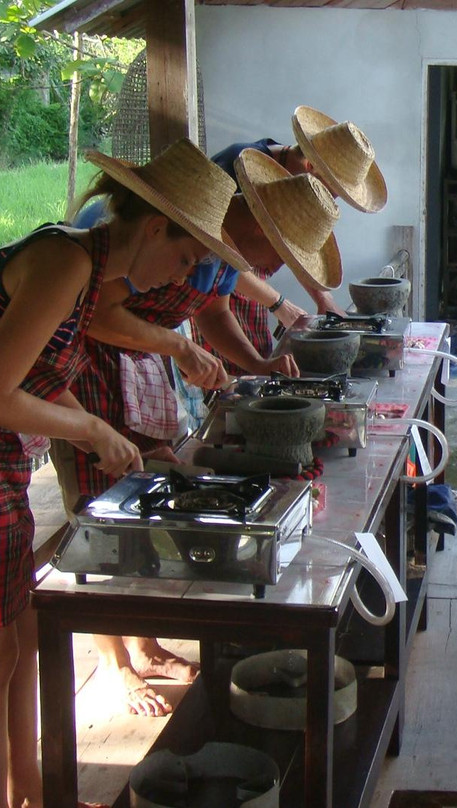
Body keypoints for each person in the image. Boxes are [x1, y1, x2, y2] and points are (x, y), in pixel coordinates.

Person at [0, 137, 246, 808]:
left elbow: (38, 375)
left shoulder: (86, 271)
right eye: (185, 256)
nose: (178, 277)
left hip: (8, 460)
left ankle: (30, 791)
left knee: (17, 640)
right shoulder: (64, 262)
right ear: (156, 226)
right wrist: (92, 428)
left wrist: (98, 429)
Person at [53, 147, 341, 717]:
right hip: (79, 373)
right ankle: (112, 663)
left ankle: (144, 642)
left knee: (144, 504)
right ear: (255, 222)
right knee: (101, 514)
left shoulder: (219, 246)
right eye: (277, 251)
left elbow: (210, 311)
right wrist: (176, 346)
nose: (276, 269)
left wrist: (255, 364)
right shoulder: (149, 232)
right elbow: (98, 315)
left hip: (138, 364)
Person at [197, 105, 387, 374]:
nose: (329, 199)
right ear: (310, 166)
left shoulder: (291, 183)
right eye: (332, 191)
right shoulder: (233, 169)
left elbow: (294, 245)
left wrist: (323, 298)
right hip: (208, 298)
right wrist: (278, 303)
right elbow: (218, 255)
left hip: (232, 297)